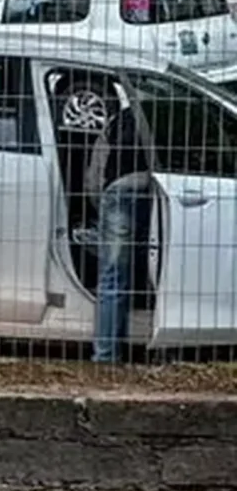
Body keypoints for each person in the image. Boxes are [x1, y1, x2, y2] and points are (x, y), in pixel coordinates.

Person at [85, 91, 155, 364]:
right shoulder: (169, 116)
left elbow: (95, 173)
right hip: (156, 186)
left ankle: (105, 355)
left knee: (113, 276)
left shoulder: (117, 120)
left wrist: (98, 206)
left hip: (118, 189)